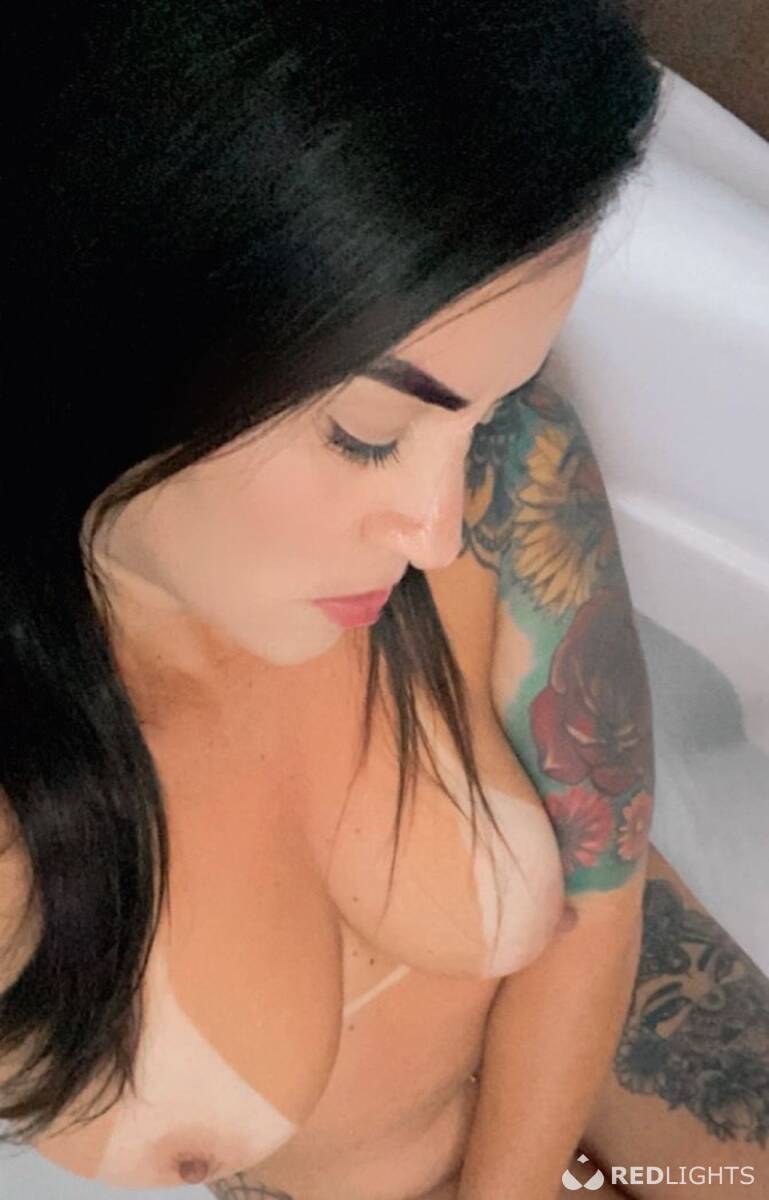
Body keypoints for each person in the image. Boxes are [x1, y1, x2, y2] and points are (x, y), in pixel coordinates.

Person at [2, 3, 768, 1198]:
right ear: (109, 331)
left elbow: (601, 908)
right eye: (368, 434)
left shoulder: (514, 479)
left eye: (491, 404)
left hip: (636, 1034)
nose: (441, 530)